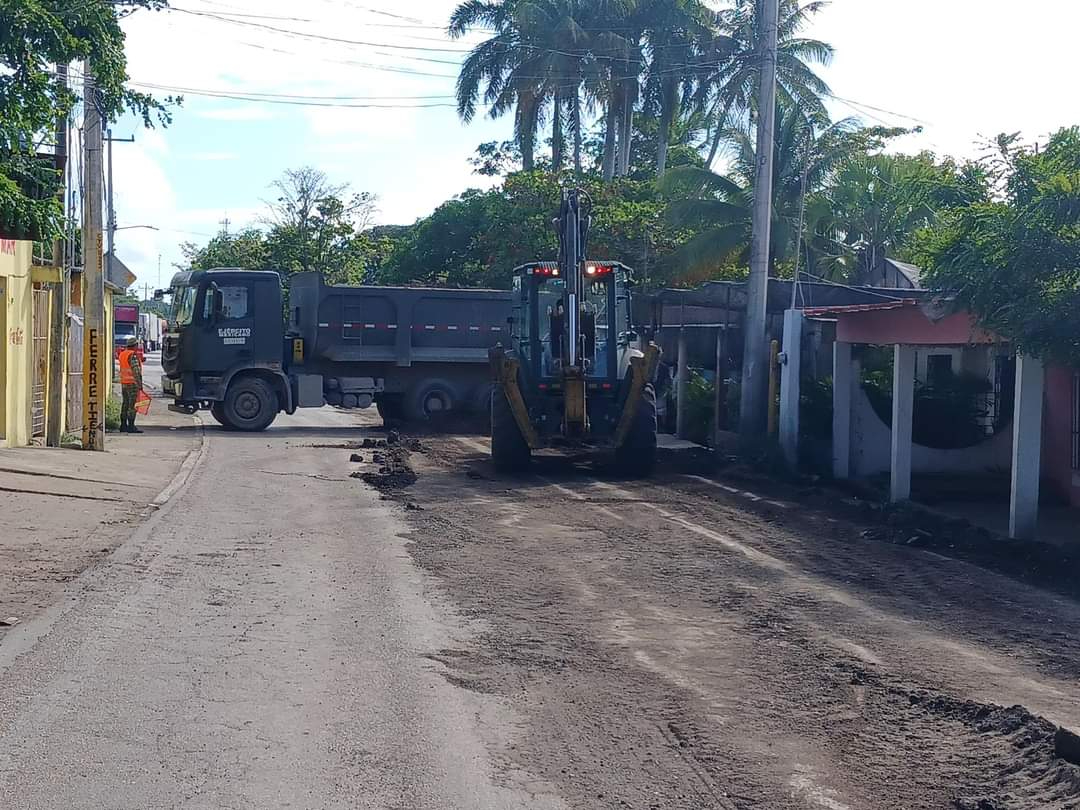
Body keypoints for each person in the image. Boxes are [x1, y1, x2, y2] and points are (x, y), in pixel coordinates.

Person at [118, 336, 144, 434]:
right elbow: (136, 371)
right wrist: (140, 384)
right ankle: (131, 426)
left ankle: (123, 425)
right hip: (132, 383)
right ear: (135, 345)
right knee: (132, 405)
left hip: (124, 383)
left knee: (125, 404)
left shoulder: (122, 354)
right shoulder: (132, 355)